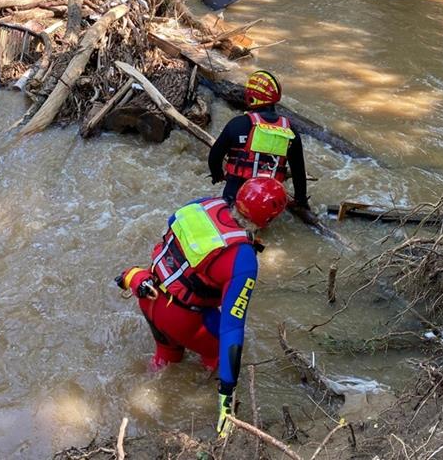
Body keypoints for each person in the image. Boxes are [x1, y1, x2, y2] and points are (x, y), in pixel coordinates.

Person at [116, 177, 288, 437]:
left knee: (166, 359)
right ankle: (197, 388)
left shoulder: (203, 205)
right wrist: (226, 394)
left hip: (148, 294)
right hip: (181, 318)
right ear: (268, 220)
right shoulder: (243, 260)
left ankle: (144, 390)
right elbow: (233, 327)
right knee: (218, 352)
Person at [208, 70, 309, 208]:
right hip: (268, 202)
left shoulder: (237, 124)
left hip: (236, 195)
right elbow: (299, 172)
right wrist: (300, 201)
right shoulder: (290, 130)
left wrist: (217, 175)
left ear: (251, 97)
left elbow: (214, 157)